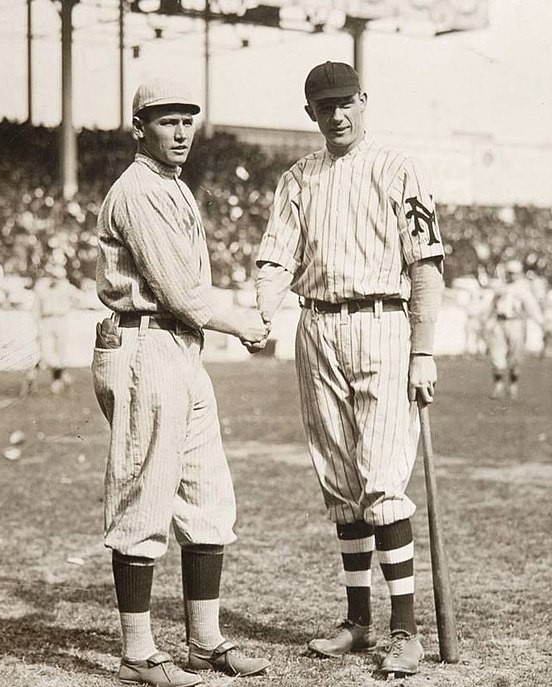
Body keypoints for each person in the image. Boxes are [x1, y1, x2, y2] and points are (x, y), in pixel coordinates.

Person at [255, 61, 445, 677]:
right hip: (316, 327)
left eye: (345, 102)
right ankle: (358, 622)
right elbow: (276, 259)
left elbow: (425, 266)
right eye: (323, 106)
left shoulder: (398, 168)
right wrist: (262, 313)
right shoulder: (298, 179)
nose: (336, 114)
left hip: (382, 324)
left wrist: (423, 349)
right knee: (340, 485)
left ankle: (406, 631)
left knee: (383, 480)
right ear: (309, 113)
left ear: (364, 101)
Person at [92, 77, 271, 687]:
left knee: (207, 496)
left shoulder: (174, 187)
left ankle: (204, 641)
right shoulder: (138, 190)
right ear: (138, 127)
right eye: (166, 120)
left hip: (178, 347)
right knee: (145, 493)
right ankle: (138, 652)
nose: (180, 131)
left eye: (187, 120)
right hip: (143, 341)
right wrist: (242, 321)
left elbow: (187, 298)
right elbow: (180, 290)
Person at [486, 259, 543, 399]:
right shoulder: (501, 288)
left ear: (519, 274)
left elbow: (533, 309)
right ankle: (498, 386)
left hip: (516, 323)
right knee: (497, 355)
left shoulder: (523, 290)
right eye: (509, 272)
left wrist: (541, 323)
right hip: (500, 322)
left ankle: (513, 385)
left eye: (514, 273)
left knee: (515, 356)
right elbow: (492, 306)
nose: (511, 276)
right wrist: (487, 321)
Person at [29, 262, 81, 393]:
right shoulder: (42, 286)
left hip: (61, 319)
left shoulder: (66, 287)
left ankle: (56, 381)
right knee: (47, 354)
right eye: (54, 276)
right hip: (46, 320)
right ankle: (63, 376)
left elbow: (79, 298)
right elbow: (36, 307)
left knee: (61, 352)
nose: (56, 279)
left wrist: (69, 307)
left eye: (59, 277)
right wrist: (37, 324)